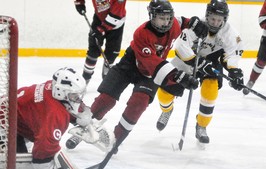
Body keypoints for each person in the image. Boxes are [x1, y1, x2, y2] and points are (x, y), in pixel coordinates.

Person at [67, 0, 209, 151]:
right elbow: (152, 63)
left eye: (168, 18)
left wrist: (194, 23)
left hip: (150, 73)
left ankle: (115, 139)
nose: (166, 22)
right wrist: (179, 76)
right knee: (106, 100)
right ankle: (84, 129)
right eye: (162, 18)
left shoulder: (173, 24)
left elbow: (181, 21)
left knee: (138, 104)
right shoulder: (142, 33)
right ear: (152, 16)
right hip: (130, 65)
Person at [156, 0, 244, 145]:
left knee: (210, 91)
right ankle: (167, 110)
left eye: (219, 20)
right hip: (188, 60)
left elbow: (233, 53)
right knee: (164, 94)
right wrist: (195, 61)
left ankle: (201, 125)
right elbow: (180, 46)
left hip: (211, 63)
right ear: (207, 15)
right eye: (212, 18)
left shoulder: (230, 33)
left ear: (225, 19)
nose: (215, 23)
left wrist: (235, 71)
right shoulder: (196, 26)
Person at [0, 67, 93, 169]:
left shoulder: (52, 87)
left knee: (19, 157)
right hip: (4, 126)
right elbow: (41, 159)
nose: (78, 99)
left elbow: (66, 104)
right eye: (74, 96)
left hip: (11, 119)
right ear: (61, 92)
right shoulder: (55, 114)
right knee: (10, 168)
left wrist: (79, 118)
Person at [74, 0, 127, 81]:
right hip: (99, 19)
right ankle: (85, 79)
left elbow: (117, 14)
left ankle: (107, 77)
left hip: (117, 24)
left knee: (112, 53)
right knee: (93, 50)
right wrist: (79, 2)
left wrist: (101, 30)